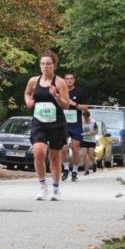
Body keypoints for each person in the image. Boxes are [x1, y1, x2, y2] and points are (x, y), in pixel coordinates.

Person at [24, 50, 71, 201]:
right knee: (38, 152)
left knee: (55, 158)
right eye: (43, 64)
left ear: (54, 65)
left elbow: (66, 105)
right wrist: (28, 101)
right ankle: (42, 186)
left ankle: (55, 188)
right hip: (39, 123)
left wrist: (56, 96)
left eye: (48, 64)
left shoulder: (60, 82)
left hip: (56, 124)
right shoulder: (33, 81)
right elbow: (27, 93)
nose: (45, 66)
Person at [61, 72, 88, 182]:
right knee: (63, 148)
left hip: (76, 125)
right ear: (64, 80)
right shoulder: (61, 91)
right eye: (67, 79)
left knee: (75, 148)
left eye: (71, 78)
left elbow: (85, 107)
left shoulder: (80, 91)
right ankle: (66, 169)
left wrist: (75, 105)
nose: (69, 80)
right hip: (63, 124)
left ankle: (75, 171)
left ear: (74, 80)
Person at [80, 110, 98, 175]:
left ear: (88, 116)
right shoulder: (82, 122)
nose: (85, 119)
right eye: (84, 117)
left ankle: (94, 163)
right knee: (84, 155)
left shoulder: (93, 122)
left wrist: (88, 133)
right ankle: (86, 170)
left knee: (90, 156)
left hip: (91, 141)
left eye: (86, 118)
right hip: (84, 140)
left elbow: (96, 131)